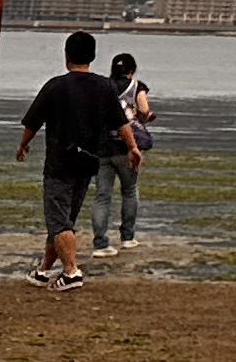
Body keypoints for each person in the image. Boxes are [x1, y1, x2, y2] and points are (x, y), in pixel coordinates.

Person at [12, 31, 126, 288]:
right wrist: (133, 147)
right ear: (93, 56)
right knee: (64, 220)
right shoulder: (105, 86)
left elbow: (33, 122)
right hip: (87, 163)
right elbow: (120, 122)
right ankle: (42, 271)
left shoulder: (56, 86)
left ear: (67, 56)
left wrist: (22, 145)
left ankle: (72, 272)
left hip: (59, 163)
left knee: (59, 221)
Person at [87, 50, 154, 252]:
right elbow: (143, 110)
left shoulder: (101, 86)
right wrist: (143, 116)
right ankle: (127, 237)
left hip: (102, 149)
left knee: (102, 196)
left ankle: (100, 243)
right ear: (132, 71)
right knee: (129, 191)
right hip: (127, 148)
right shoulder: (137, 87)